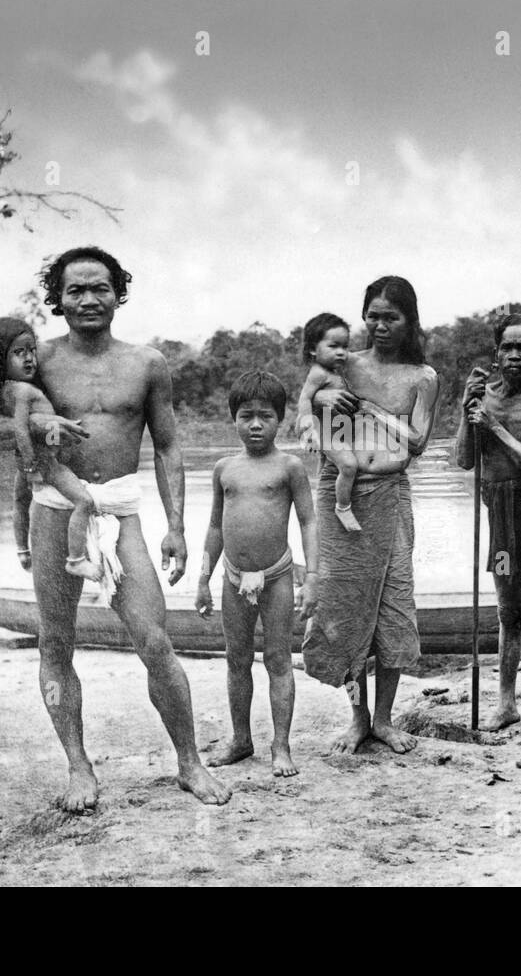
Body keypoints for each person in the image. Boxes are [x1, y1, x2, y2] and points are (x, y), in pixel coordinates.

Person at [0, 245, 230, 811]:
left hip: (119, 508)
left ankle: (190, 762)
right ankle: (78, 767)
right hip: (54, 506)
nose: (89, 299)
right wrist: (39, 423)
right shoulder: (34, 358)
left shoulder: (147, 364)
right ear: (58, 300)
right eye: (75, 290)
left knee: (154, 639)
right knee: (56, 641)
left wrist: (177, 527)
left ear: (119, 293)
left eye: (100, 288)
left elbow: (167, 445)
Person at [301, 275, 441, 755]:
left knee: (394, 605)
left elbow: (418, 441)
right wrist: (321, 399)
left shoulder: (422, 377)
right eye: (373, 316)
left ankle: (383, 719)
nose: (380, 325)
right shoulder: (343, 364)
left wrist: (371, 411)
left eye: (391, 317)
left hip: (390, 494)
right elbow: (308, 404)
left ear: (410, 321)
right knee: (346, 606)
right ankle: (358, 718)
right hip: (341, 495)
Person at [194, 371, 319, 777]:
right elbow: (215, 526)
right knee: (236, 659)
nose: (255, 425)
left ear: (279, 420)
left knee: (279, 658)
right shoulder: (224, 469)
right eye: (246, 416)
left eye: (265, 416)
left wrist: (312, 576)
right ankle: (240, 739)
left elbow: (308, 522)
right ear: (233, 419)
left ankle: (280, 745)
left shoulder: (290, 467)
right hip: (232, 577)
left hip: (278, 575)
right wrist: (203, 578)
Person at [452, 312, 521, 732]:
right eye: (507, 347)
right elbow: (463, 460)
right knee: (507, 610)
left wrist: (495, 427)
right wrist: (468, 411)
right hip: (498, 517)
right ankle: (504, 704)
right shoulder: (483, 401)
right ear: (496, 354)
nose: (515, 354)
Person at [0, 317, 100, 581]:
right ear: (0, 360)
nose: (29, 358)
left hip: (32, 460)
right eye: (18, 353)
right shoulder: (21, 390)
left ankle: (22, 550)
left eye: (31, 350)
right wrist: (33, 465)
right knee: (84, 501)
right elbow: (21, 429)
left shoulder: (7, 389)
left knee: (20, 502)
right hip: (44, 463)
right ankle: (76, 560)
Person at [296, 313, 362, 532]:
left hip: (338, 430)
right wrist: (308, 430)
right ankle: (343, 506)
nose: (341, 352)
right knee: (349, 465)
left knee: (325, 472)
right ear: (314, 349)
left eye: (345, 346)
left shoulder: (335, 372)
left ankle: (323, 508)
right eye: (334, 346)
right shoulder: (318, 373)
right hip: (326, 433)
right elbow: (305, 398)